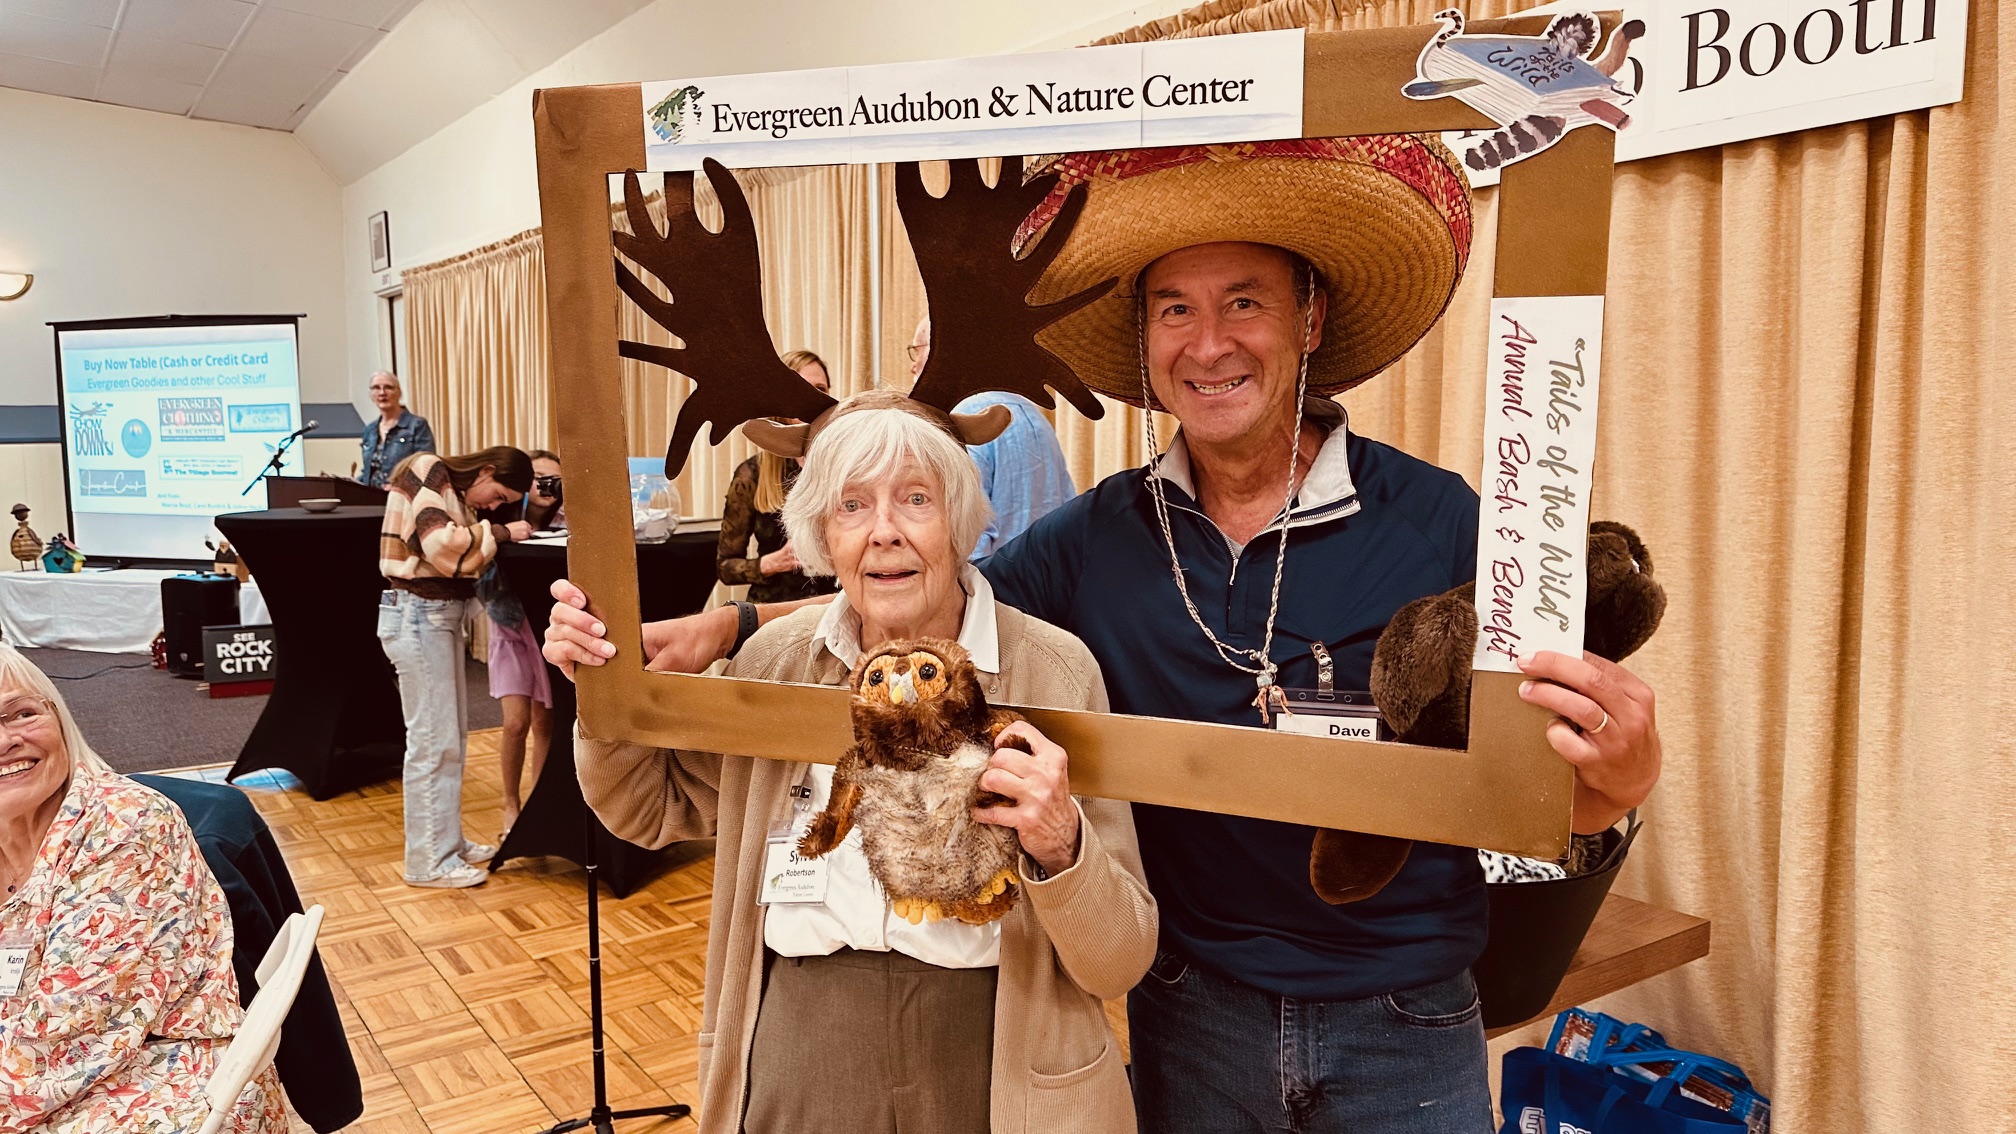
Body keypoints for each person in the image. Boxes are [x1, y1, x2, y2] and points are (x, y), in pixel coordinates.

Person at [547, 138, 1665, 1132]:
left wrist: (1621, 777)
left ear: (1310, 320)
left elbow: (1554, 779)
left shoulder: (1445, 522)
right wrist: (733, 624)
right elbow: (923, 591)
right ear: (1144, 339)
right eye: (1175, 308)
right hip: (1191, 1003)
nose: (1210, 342)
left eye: (1246, 302)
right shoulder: (1094, 541)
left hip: (1404, 1016)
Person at [570, 398, 1154, 1133]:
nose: (884, 532)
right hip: (800, 1046)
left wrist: (1062, 845)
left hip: (997, 1054)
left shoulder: (1054, 671)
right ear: (822, 534)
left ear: (963, 520)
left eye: (916, 499)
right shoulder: (774, 664)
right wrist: (604, 686)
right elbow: (648, 809)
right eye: (852, 505)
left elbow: (1119, 962)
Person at [0, 645, 285, 1133]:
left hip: (153, 1078)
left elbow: (68, 1039)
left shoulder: (126, 827)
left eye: (22, 714)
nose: (6, 741)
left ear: (58, 716)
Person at [379, 445, 534, 887]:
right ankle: (428, 862)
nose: (493, 506)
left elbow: (459, 553)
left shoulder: (447, 488)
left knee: (449, 739)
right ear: (485, 470)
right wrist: (501, 533)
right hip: (417, 615)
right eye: (498, 494)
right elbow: (443, 547)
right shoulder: (430, 469)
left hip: (431, 617)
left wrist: (485, 532)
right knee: (433, 742)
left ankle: (446, 842)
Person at [908, 318, 1077, 558]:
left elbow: (966, 540)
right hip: (1044, 589)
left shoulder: (963, 421)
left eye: (917, 350)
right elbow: (1066, 514)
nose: (913, 366)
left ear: (944, 350)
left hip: (990, 589)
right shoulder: (1036, 417)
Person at [715, 350, 841, 602]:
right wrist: (774, 562)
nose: (812, 399)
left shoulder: (845, 465)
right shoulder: (752, 474)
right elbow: (725, 568)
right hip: (772, 613)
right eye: (801, 388)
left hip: (834, 609)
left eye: (821, 389)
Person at [483, 448, 563, 836]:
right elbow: (479, 580)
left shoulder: (568, 520)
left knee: (544, 721)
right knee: (516, 722)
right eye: (539, 479)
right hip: (510, 625)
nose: (547, 487)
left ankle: (538, 807)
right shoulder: (500, 519)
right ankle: (510, 806)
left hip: (547, 630)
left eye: (555, 480)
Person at [358, 371, 436, 488]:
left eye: (388, 387)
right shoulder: (369, 430)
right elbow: (369, 471)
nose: (382, 393)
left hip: (403, 497)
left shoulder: (417, 425)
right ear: (371, 395)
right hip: (371, 498)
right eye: (376, 388)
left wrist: (399, 485)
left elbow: (426, 466)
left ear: (399, 393)